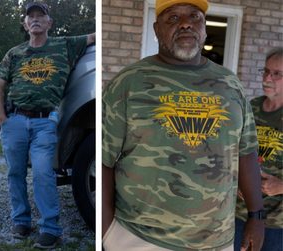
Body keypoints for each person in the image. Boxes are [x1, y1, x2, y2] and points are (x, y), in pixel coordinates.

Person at [102, 0, 264, 250]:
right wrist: (107, 233)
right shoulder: (128, 83)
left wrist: (256, 215)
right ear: (157, 30)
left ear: (205, 29)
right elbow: (104, 160)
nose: (186, 23)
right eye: (173, 18)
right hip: (142, 237)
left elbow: (246, 151)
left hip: (216, 241)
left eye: (195, 17)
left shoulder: (231, 85)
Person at [0, 2, 95, 249]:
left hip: (45, 122)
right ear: (25, 24)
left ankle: (50, 229)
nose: (35, 20)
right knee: (15, 173)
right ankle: (21, 221)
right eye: (31, 17)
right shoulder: (14, 53)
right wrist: (3, 119)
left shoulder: (66, 45)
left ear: (50, 23)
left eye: (41, 16)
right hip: (15, 120)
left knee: (42, 172)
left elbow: (96, 36)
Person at [234, 47, 283, 250]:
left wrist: (281, 186)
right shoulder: (249, 108)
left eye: (277, 73)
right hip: (239, 216)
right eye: (265, 71)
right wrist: (235, 180)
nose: (267, 78)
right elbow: (231, 153)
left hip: (277, 226)